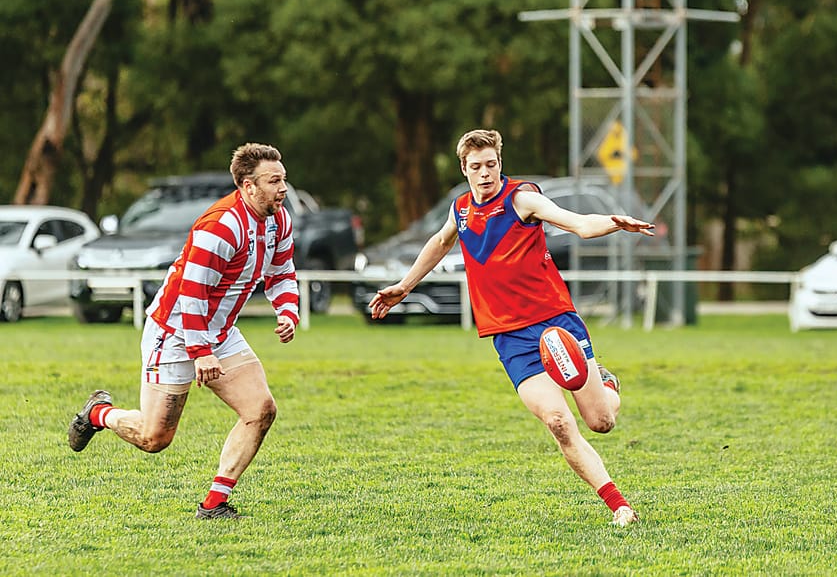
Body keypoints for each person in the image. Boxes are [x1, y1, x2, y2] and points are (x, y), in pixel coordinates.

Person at [369, 129, 654, 527]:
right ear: (464, 170)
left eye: (491, 165)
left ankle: (607, 384)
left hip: (555, 324)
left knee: (601, 422)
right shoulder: (461, 210)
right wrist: (404, 285)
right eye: (476, 167)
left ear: (500, 163)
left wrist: (612, 222)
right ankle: (620, 506)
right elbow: (439, 242)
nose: (485, 174)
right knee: (558, 422)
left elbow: (577, 223)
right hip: (510, 337)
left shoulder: (522, 199)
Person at [67, 142, 299, 520]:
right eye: (274, 181)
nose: (283, 188)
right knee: (155, 438)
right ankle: (98, 414)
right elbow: (191, 294)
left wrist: (287, 310)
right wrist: (200, 351)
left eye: (283, 179)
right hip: (175, 332)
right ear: (248, 186)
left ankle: (213, 504)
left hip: (219, 332)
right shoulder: (220, 226)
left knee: (261, 409)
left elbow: (282, 271)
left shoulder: (278, 220)